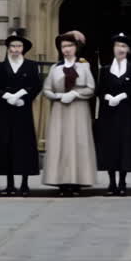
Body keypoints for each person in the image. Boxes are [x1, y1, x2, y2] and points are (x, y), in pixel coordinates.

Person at [41, 31, 97, 196]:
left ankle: (78, 181)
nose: (66, 49)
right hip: (60, 110)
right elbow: (47, 89)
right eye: (63, 46)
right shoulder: (55, 68)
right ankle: (62, 182)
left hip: (78, 109)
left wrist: (75, 94)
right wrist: (58, 96)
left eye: (70, 46)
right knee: (61, 144)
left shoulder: (83, 66)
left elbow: (91, 88)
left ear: (76, 47)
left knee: (78, 143)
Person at [0, 33, 42, 197]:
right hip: (6, 110)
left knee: (24, 145)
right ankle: (9, 184)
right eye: (12, 46)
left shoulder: (31, 65)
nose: (15, 49)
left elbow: (36, 85)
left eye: (18, 46)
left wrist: (23, 97)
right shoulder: (1, 66)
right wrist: (7, 97)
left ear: (23, 49)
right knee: (7, 144)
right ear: (8, 48)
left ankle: (25, 183)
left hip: (23, 110)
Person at [96, 33, 131, 196]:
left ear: (128, 50)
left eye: (123, 46)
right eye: (117, 46)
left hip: (127, 114)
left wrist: (124, 95)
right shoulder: (106, 69)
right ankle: (111, 182)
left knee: (125, 147)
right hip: (109, 114)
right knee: (110, 147)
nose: (120, 49)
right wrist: (107, 96)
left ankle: (122, 182)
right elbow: (99, 90)